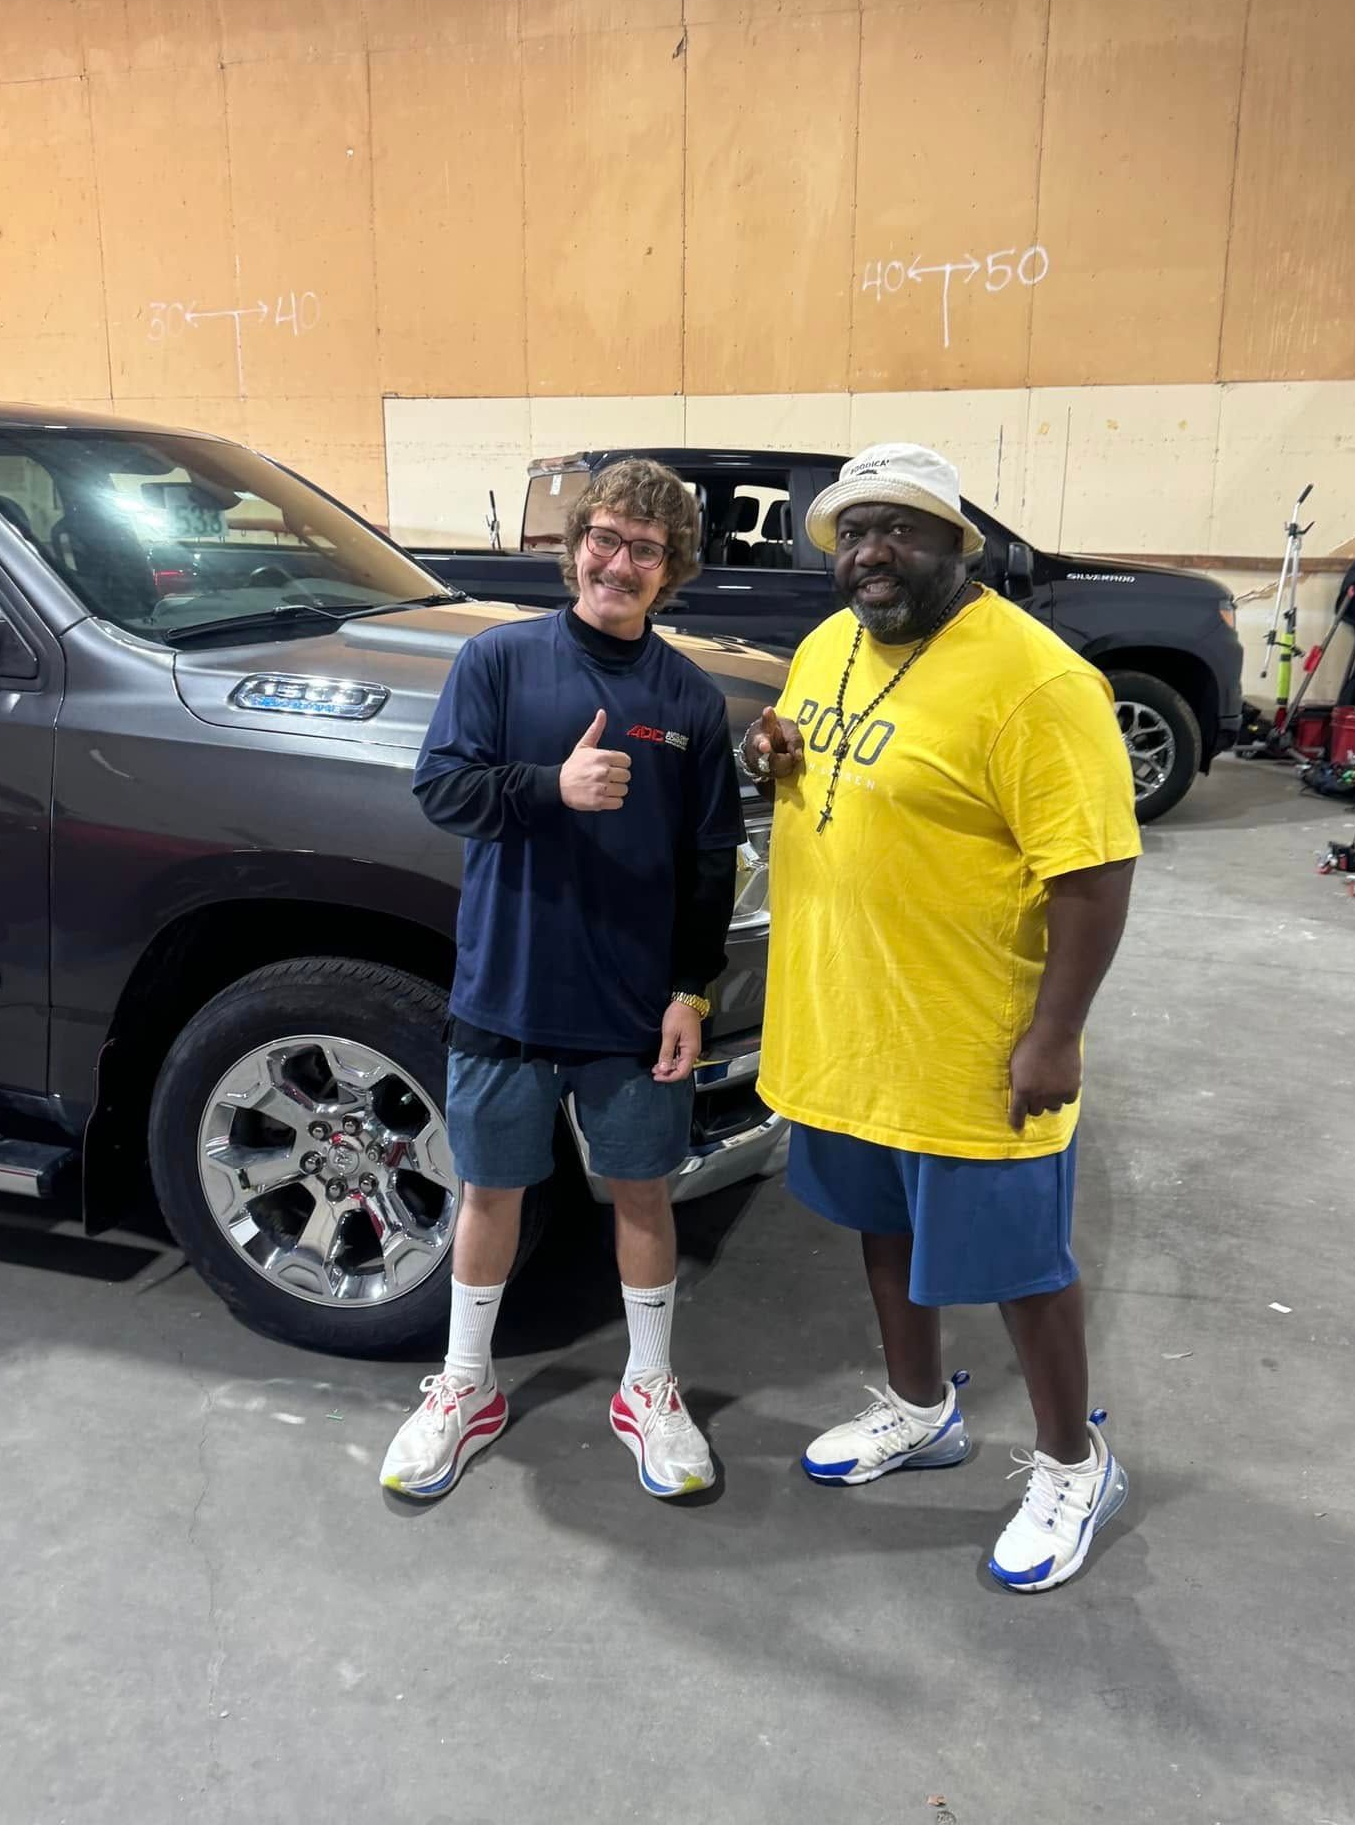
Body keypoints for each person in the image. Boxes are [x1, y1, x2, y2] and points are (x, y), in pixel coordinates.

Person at [741, 443, 1140, 1592]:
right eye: (854, 531)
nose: (872, 551)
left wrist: (1054, 1030)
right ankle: (923, 1408)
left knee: (1022, 1263)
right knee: (883, 1228)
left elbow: (1096, 875)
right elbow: (805, 742)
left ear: (959, 543)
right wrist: (771, 747)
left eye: (901, 529)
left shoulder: (1037, 681)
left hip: (976, 1037)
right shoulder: (830, 646)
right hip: (852, 1024)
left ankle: (1073, 1459)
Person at [380, 459, 744, 1503]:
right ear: (575, 540)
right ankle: (464, 1385)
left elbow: (711, 857)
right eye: (607, 537)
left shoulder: (688, 697)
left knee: (642, 1189)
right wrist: (553, 785)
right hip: (507, 986)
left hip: (634, 1007)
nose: (619, 562)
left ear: (670, 570)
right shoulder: (498, 660)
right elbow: (441, 787)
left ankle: (648, 1385)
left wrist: (692, 989)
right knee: (490, 1188)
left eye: (646, 549)